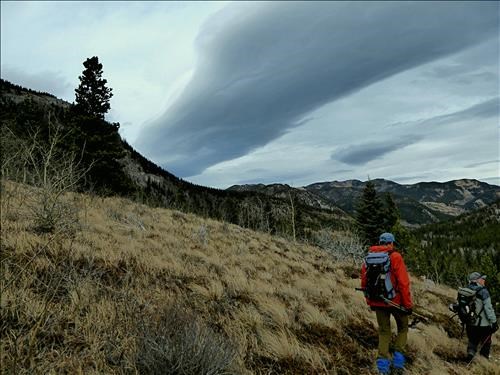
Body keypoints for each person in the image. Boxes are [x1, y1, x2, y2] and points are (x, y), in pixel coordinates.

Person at [361, 232, 413, 374]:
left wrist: (369, 301)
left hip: (377, 300)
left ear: (379, 242)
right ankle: (398, 363)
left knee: (384, 332)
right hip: (395, 302)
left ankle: (382, 367)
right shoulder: (395, 257)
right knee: (403, 328)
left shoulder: (368, 257)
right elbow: (403, 283)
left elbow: (364, 282)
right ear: (391, 243)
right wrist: (407, 305)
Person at [464, 272, 498, 362]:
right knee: (486, 343)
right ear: (477, 280)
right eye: (482, 279)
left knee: (472, 340)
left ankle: (469, 358)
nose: (484, 280)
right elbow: (489, 309)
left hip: (469, 322)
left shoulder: (465, 289)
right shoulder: (483, 291)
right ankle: (483, 362)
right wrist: (494, 322)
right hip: (483, 324)